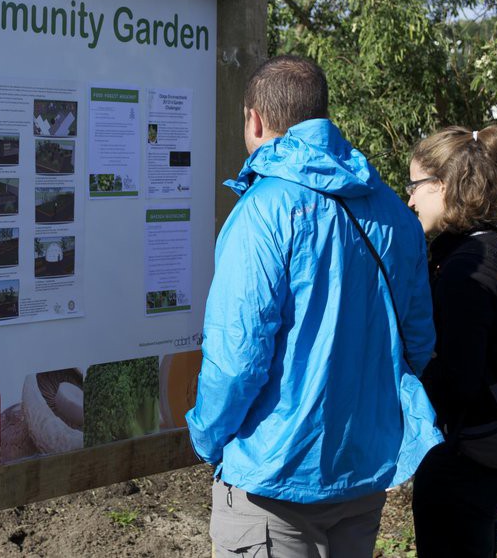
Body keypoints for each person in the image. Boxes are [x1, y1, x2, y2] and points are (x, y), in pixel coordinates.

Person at [186, 55, 441, 557]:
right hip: (361, 473)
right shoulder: (394, 212)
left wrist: (208, 438)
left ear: (255, 120)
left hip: (272, 479)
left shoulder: (261, 213)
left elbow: (237, 360)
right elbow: (419, 343)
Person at [407, 125, 497, 556]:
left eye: (416, 185)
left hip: (462, 460)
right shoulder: (492, 246)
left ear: (442, 185)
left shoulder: (464, 272)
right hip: (492, 448)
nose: (410, 198)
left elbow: (461, 379)